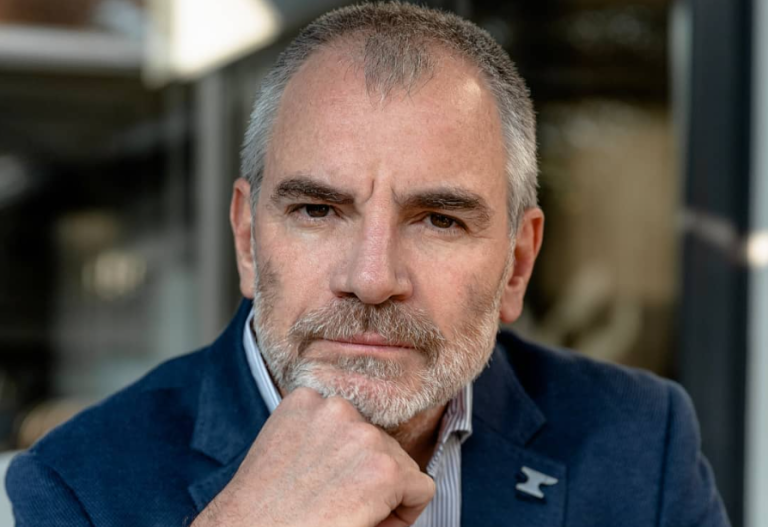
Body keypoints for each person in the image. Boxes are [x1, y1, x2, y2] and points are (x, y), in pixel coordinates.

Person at [7, 3, 729, 526]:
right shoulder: (80, 484)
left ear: (517, 264)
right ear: (248, 240)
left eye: (440, 219)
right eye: (318, 210)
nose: (373, 278)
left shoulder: (638, 440)